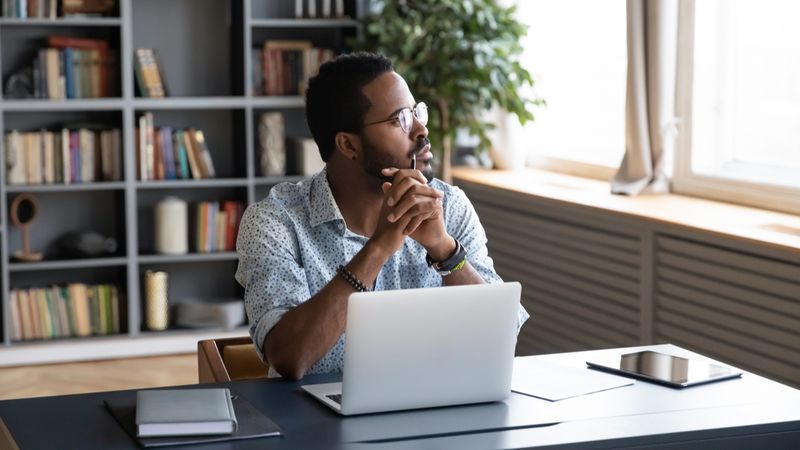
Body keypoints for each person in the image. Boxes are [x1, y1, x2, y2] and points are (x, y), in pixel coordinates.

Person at [235, 52, 528, 380]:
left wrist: (445, 251)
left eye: (417, 113)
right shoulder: (275, 221)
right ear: (348, 145)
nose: (421, 129)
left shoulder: (449, 207)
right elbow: (290, 357)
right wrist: (379, 247)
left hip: (435, 404)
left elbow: (504, 336)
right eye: (399, 119)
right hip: (314, 410)